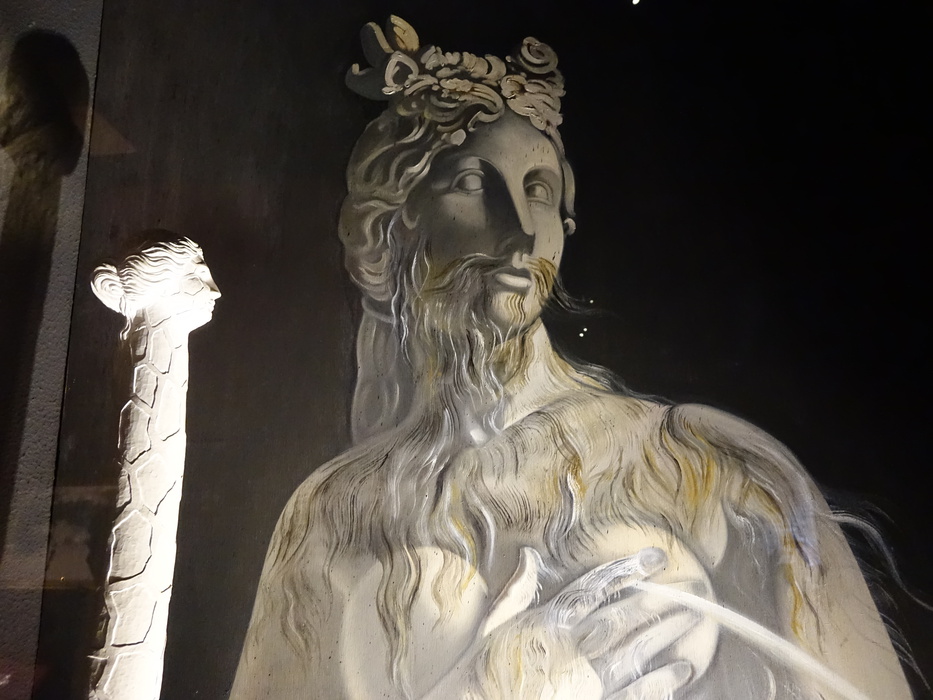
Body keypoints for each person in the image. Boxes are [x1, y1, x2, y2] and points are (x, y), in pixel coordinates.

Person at [231, 18, 910, 699]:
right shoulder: (332, 510)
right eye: (472, 183)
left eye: (538, 191)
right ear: (394, 222)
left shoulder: (709, 467)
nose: (521, 233)